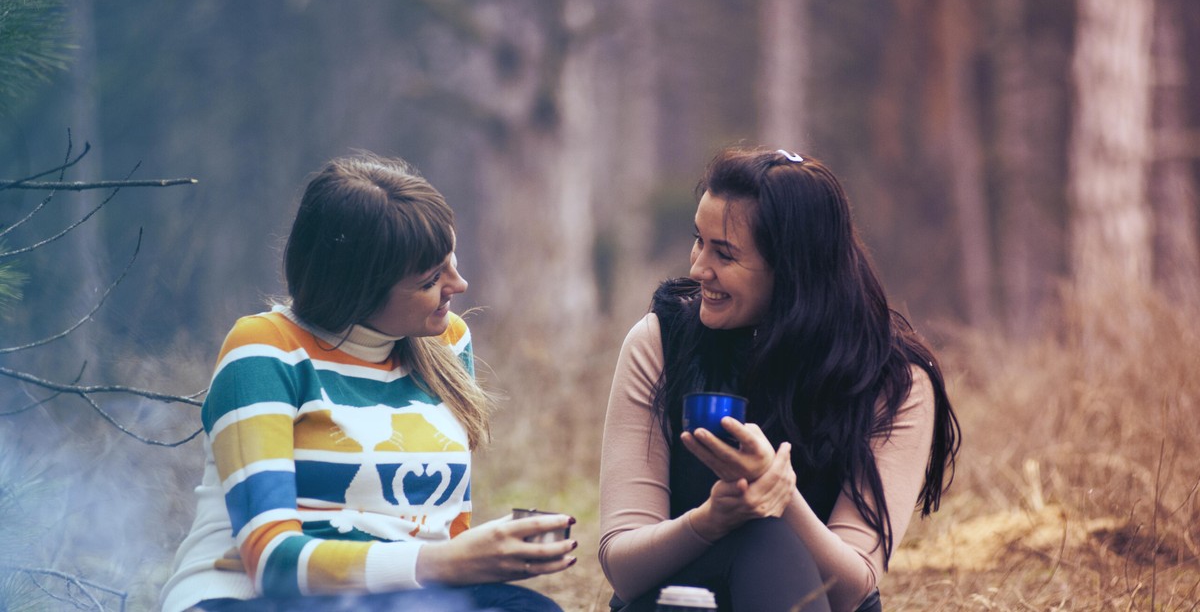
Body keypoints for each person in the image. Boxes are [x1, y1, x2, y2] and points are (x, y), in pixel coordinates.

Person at [161, 154, 576, 612]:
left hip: (408, 596)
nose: (458, 284)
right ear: (358, 289)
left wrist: (484, 558)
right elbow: (273, 563)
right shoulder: (265, 350)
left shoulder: (446, 342)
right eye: (431, 278)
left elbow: (446, 526)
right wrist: (443, 562)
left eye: (451, 261)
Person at [598, 147, 960, 612]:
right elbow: (623, 568)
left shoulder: (894, 382)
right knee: (753, 539)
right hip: (675, 604)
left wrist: (779, 495)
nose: (697, 269)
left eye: (724, 254)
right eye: (698, 241)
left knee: (766, 540)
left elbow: (853, 587)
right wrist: (710, 520)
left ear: (793, 270)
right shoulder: (661, 344)